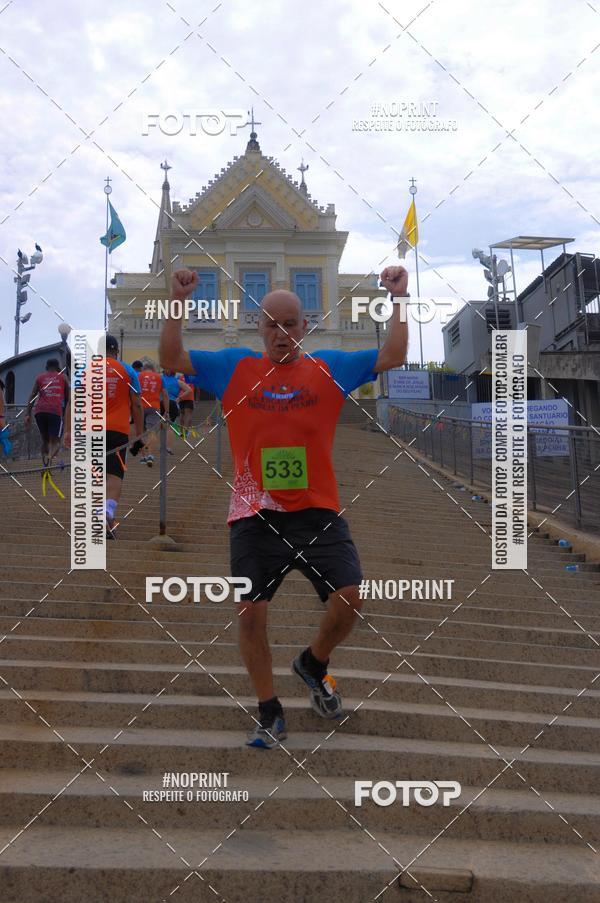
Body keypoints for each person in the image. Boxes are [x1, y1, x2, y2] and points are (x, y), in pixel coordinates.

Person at [160, 266, 409, 748]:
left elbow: (394, 354)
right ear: (259, 328)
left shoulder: (329, 367)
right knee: (251, 614)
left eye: (289, 324)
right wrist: (177, 299)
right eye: (271, 324)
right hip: (254, 512)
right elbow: (170, 356)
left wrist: (398, 297)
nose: (280, 333)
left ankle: (313, 663)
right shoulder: (234, 366)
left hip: (317, 510)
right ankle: (269, 710)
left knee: (351, 599)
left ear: (304, 328)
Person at [65, 334, 143, 538]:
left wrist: (68, 431)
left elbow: (73, 403)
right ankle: (108, 511)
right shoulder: (128, 370)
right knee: (114, 474)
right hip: (118, 430)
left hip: (91, 429)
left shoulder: (84, 370)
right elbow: (136, 404)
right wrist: (139, 436)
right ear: (116, 351)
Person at [25, 359, 69, 466]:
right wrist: (67, 414)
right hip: (55, 412)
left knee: (45, 441)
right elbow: (69, 398)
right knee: (56, 442)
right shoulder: (63, 377)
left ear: (46, 367)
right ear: (58, 367)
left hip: (40, 412)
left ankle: (45, 465)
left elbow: (32, 395)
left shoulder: (40, 377)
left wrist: (27, 413)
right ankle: (50, 459)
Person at [138, 361, 168, 466]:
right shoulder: (159, 377)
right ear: (153, 369)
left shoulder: (138, 376)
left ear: (143, 368)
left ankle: (143, 457)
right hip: (154, 406)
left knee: (140, 433)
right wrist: (166, 411)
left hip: (140, 407)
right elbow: (165, 394)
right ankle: (150, 455)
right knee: (152, 432)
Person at [178, 375, 195, 440]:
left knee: (182, 415)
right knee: (188, 415)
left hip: (182, 397)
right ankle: (186, 431)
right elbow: (197, 388)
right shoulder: (192, 377)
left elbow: (179, 388)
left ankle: (181, 431)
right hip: (190, 397)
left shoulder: (180, 377)